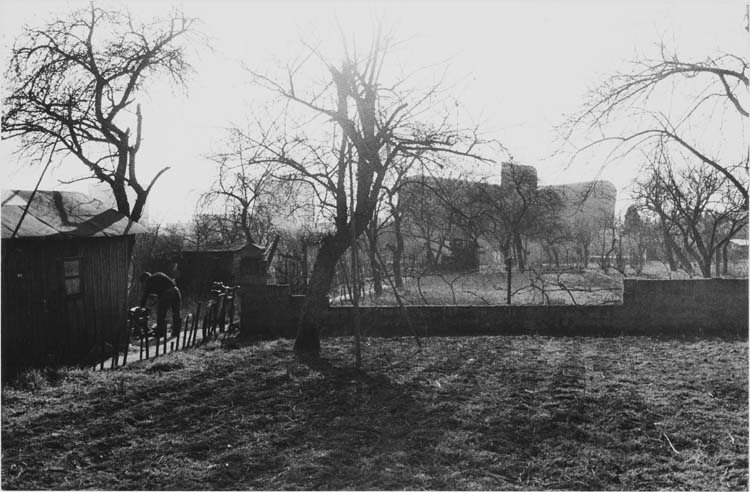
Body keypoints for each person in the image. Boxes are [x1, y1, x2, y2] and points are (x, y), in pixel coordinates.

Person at [140, 271, 181, 338]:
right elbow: (161, 291)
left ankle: (160, 333)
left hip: (168, 293)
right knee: (176, 313)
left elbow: (145, 295)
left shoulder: (149, 280)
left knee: (161, 313)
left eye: (143, 282)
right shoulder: (158, 275)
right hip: (176, 290)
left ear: (145, 279)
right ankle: (176, 332)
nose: (144, 284)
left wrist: (141, 306)